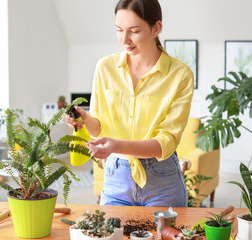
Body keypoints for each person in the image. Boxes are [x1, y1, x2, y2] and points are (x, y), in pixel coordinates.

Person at [63, 0, 194, 207]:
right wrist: (85, 120)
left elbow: (166, 142)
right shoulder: (105, 68)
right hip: (116, 176)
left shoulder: (180, 75)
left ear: (156, 28)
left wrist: (117, 145)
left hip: (162, 179)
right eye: (119, 30)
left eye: (134, 31)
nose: (125, 39)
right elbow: (98, 127)